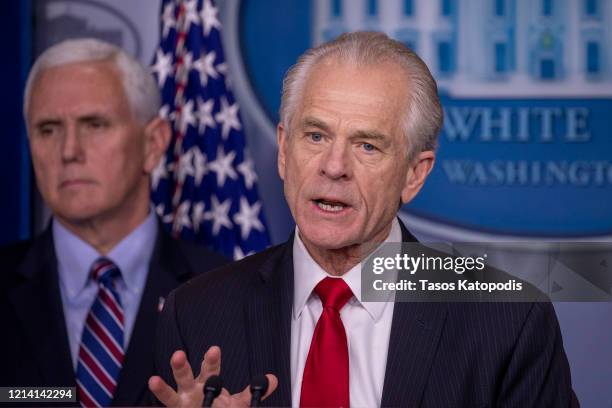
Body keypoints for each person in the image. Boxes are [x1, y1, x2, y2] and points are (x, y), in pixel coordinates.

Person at [150, 32, 577, 407]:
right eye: (315, 136)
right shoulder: (195, 313)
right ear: (283, 150)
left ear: (415, 173)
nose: (334, 166)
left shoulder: (507, 320)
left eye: (368, 146)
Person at [0, 38, 226, 406]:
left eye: (94, 124)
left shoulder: (228, 293)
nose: (69, 151)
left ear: (153, 144)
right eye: (48, 129)